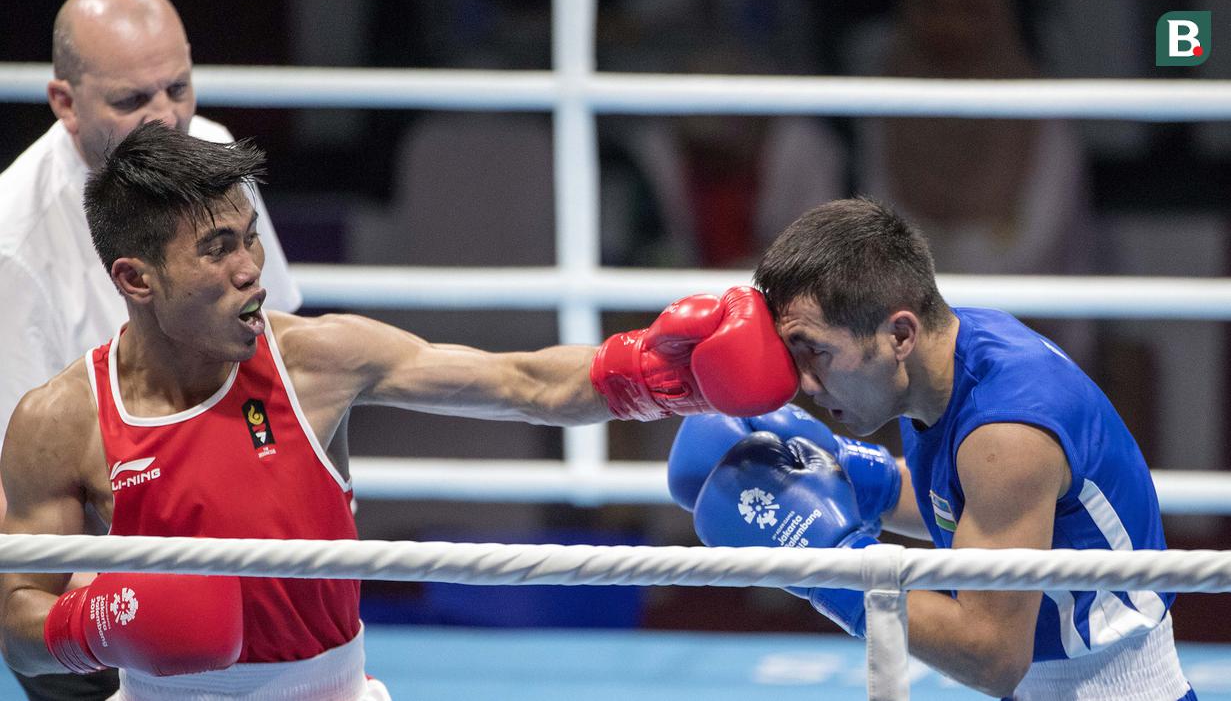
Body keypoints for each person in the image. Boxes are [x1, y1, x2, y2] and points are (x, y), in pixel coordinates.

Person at [0, 121, 797, 700]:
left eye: (250, 237)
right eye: (217, 249)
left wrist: (652, 375)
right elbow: (18, 626)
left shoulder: (313, 359)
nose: (251, 270)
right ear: (136, 279)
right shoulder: (59, 421)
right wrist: (97, 624)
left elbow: (521, 382)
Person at [669, 198, 1196, 699]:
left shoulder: (1006, 434)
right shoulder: (958, 350)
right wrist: (851, 474)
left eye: (817, 352)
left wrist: (828, 562)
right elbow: (968, 507)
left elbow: (991, 656)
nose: (805, 383)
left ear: (900, 335)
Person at [0, 0, 302, 505]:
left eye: (178, 89)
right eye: (132, 100)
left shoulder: (212, 150)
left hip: (242, 474)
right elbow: (18, 483)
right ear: (66, 103)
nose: (166, 118)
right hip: (111, 523)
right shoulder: (14, 244)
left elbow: (282, 357)